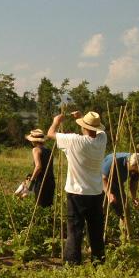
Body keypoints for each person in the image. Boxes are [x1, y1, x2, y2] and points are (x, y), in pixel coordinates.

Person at [47, 110, 107, 265]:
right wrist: (81, 118)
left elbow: (50, 133)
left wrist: (56, 121)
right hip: (96, 192)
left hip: (77, 193)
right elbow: (97, 130)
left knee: (75, 230)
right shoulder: (102, 140)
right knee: (96, 230)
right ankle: (98, 262)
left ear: (83, 127)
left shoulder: (74, 140)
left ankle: (72, 264)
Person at [102, 152, 139, 242]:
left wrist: (134, 197)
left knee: (125, 210)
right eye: (133, 170)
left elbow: (133, 183)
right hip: (102, 183)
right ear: (129, 163)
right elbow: (103, 178)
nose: (134, 172)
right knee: (102, 210)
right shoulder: (114, 161)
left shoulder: (137, 166)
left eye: (136, 171)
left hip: (118, 183)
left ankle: (126, 237)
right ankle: (100, 237)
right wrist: (109, 193)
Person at [24, 129, 55, 208]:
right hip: (51, 181)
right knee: (48, 206)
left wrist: (31, 180)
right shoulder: (49, 150)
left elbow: (38, 167)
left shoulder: (36, 150)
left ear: (33, 141)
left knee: (40, 206)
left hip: (41, 181)